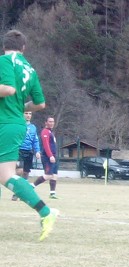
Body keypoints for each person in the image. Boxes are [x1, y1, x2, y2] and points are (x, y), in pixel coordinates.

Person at [0, 29, 57, 240]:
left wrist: (12, 104)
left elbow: (7, 89)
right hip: (14, 123)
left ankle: (46, 212)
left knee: (5, 175)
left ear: (4, 46)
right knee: (3, 174)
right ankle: (45, 212)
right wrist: (19, 107)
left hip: (4, 123)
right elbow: (40, 104)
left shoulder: (5, 62)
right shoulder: (30, 69)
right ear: (23, 48)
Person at [10, 110, 41, 201]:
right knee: (19, 171)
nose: (28, 115)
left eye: (30, 113)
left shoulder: (33, 127)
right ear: (22, 114)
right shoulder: (18, 125)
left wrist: (37, 151)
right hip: (19, 150)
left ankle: (22, 192)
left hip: (29, 152)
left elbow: (35, 140)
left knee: (26, 172)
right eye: (26, 113)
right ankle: (16, 192)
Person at [33, 117, 58, 199]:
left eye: (53, 122)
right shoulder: (45, 131)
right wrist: (50, 155)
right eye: (50, 121)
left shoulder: (51, 132)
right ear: (46, 122)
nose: (51, 123)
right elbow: (46, 145)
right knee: (48, 175)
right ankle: (31, 186)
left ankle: (52, 193)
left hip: (53, 157)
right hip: (47, 157)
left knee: (54, 175)